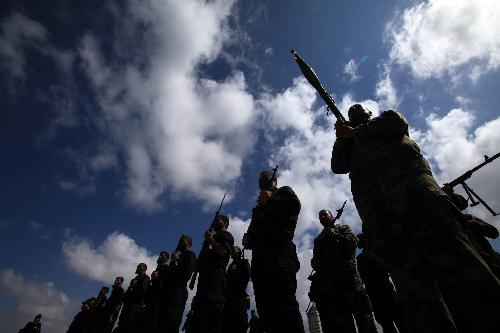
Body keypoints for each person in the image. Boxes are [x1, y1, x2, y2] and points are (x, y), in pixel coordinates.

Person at [331, 104, 500, 332]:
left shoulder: (384, 121)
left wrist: (355, 132)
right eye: (351, 114)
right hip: (379, 211)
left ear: (369, 113)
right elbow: (338, 166)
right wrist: (341, 137)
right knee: (414, 290)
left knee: (459, 263)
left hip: (416, 192)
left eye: (358, 111)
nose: (354, 114)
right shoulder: (349, 142)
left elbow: (397, 121)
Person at [243, 170, 304, 333]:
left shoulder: (284, 192)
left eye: (264, 177)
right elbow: (253, 236)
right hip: (261, 263)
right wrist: (248, 241)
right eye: (259, 178)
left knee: (286, 308)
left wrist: (272, 197)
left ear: (274, 180)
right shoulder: (257, 209)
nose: (261, 179)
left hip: (280, 256)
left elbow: (295, 206)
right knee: (266, 313)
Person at [309, 209, 377, 333]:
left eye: (325, 214)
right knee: (343, 324)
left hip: (351, 281)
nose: (323, 216)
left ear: (332, 216)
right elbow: (315, 263)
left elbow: (352, 244)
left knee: (364, 318)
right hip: (333, 287)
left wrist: (336, 236)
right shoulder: (318, 240)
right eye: (320, 216)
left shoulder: (343, 228)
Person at [191, 214, 234, 333]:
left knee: (211, 320)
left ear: (225, 223)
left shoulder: (226, 235)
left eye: (218, 220)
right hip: (204, 283)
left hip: (215, 281)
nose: (215, 222)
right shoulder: (212, 239)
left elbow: (223, 252)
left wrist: (211, 240)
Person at [356, 233, 406, 333]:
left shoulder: (377, 252)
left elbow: (388, 267)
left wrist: (373, 258)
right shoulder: (361, 258)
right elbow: (361, 278)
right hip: (374, 294)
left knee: (400, 320)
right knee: (387, 325)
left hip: (386, 289)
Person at [158, 235, 197, 333]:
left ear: (187, 242)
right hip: (168, 294)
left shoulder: (190, 255)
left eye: (181, 240)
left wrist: (177, 260)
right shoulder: (177, 257)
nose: (179, 242)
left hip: (177, 293)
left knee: (171, 323)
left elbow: (187, 273)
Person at [222, 246, 251, 333]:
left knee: (239, 324)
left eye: (234, 250)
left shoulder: (244, 263)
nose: (231, 252)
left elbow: (247, 276)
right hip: (228, 300)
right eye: (231, 251)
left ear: (239, 252)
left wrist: (236, 271)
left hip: (239, 298)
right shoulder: (230, 266)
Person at [139, 251, 169, 332]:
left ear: (166, 258)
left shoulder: (166, 269)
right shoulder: (158, 268)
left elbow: (165, 285)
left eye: (161, 256)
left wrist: (156, 278)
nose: (159, 257)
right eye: (159, 255)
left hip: (157, 301)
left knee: (151, 324)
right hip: (151, 300)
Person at [116, 263, 150, 333]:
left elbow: (143, 290)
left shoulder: (146, 278)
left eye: (139, 266)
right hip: (127, 306)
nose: (137, 268)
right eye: (137, 266)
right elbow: (128, 291)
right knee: (122, 325)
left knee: (129, 326)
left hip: (135, 306)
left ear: (144, 269)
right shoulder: (134, 279)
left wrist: (136, 284)